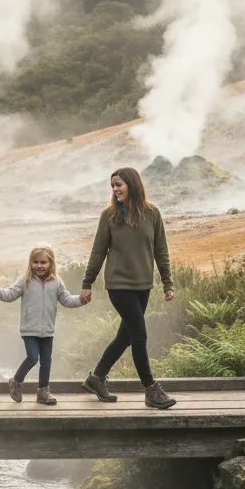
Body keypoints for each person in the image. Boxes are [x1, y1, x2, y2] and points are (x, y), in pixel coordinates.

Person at [80, 167, 177, 409]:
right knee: (139, 335)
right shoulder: (109, 216)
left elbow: (161, 251)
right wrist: (87, 283)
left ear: (132, 185)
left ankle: (96, 378)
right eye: (112, 185)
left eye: (119, 184)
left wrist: (167, 282)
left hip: (143, 285)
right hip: (118, 285)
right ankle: (151, 390)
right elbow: (98, 251)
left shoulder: (152, 213)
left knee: (125, 336)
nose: (115, 189)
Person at [0, 245, 88, 405]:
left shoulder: (56, 282)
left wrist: (81, 300)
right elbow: (9, 295)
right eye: (35, 262)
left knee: (46, 361)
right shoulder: (25, 280)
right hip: (29, 329)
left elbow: (67, 300)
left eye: (43, 262)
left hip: (48, 330)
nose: (39, 266)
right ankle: (16, 381)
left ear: (51, 263)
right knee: (33, 357)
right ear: (30, 263)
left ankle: (43, 393)